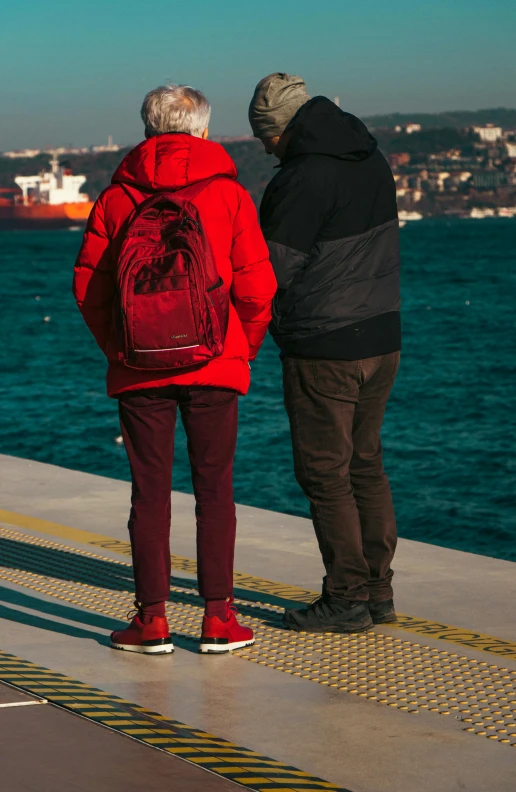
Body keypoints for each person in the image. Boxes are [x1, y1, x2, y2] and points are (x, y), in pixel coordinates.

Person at [73, 84, 276, 654]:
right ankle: (218, 619)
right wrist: (241, 348)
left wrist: (121, 344)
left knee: (149, 493)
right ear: (204, 131)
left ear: (147, 130)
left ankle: (152, 621)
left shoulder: (117, 198)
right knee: (215, 490)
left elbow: (87, 286)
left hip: (140, 368)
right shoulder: (230, 194)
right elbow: (259, 288)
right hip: (215, 364)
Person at [249, 73, 401, 634]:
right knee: (366, 464)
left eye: (265, 135)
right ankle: (378, 591)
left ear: (283, 129)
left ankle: (345, 596)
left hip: (323, 344)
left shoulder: (302, 179)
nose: (264, 146)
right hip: (383, 339)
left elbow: (272, 270)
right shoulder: (372, 159)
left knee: (325, 473)